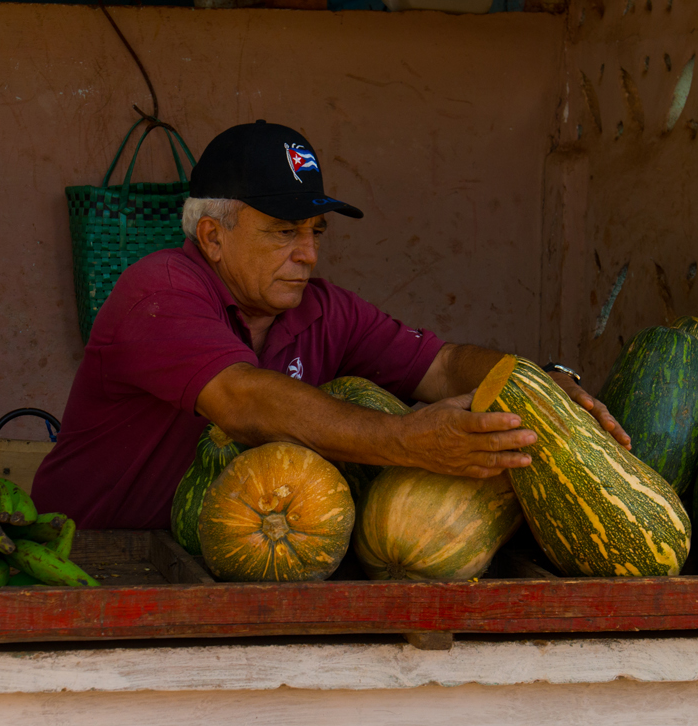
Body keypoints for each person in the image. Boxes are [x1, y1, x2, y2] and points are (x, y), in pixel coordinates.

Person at [32, 120, 629, 530]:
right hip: (88, 557)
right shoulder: (159, 292)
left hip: (227, 558)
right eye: (283, 232)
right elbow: (241, 399)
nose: (309, 254)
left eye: (315, 232)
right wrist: (405, 441)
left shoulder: (323, 309)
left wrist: (537, 388)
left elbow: (442, 366)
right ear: (213, 237)